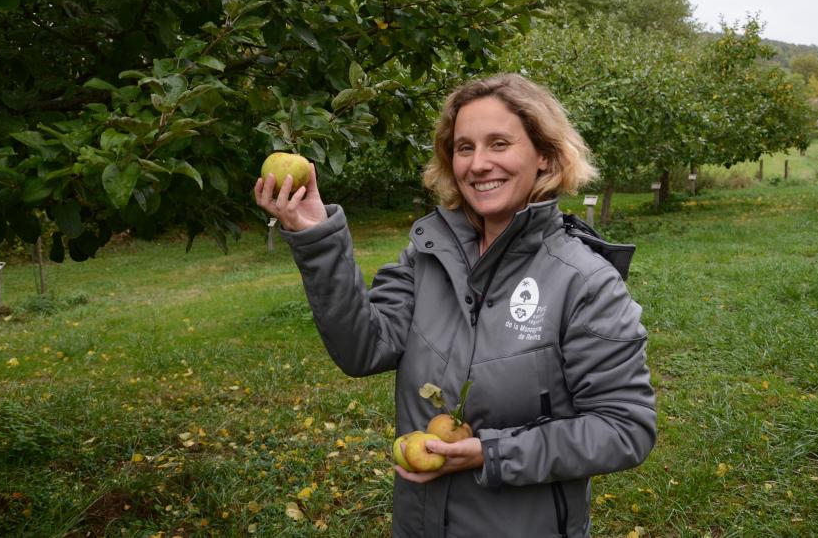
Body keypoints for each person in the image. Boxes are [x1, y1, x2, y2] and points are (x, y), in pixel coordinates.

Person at [254, 73, 656, 538]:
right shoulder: (428, 256)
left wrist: (492, 453)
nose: (479, 164)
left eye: (499, 143)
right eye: (464, 148)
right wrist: (314, 234)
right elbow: (362, 350)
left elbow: (625, 428)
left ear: (544, 155)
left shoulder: (583, 281)